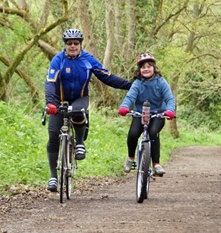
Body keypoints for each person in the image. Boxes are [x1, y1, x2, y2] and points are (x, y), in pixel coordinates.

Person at [45, 28, 132, 191]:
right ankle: (52, 177)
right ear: (65, 45)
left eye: (76, 43)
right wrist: (50, 103)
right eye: (69, 43)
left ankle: (79, 142)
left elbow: (108, 77)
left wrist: (131, 85)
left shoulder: (88, 60)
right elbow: (50, 82)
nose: (72, 46)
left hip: (80, 97)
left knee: (78, 112)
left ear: (80, 45)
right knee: (53, 136)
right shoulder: (58, 60)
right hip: (58, 100)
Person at [118, 53, 175, 175]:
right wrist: (124, 107)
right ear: (139, 70)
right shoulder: (137, 83)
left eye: (149, 66)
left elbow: (169, 98)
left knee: (153, 132)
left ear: (154, 68)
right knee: (133, 134)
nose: (146, 69)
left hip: (157, 115)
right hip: (140, 114)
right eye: (143, 67)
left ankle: (156, 164)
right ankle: (130, 158)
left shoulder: (161, 82)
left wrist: (170, 110)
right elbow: (130, 97)